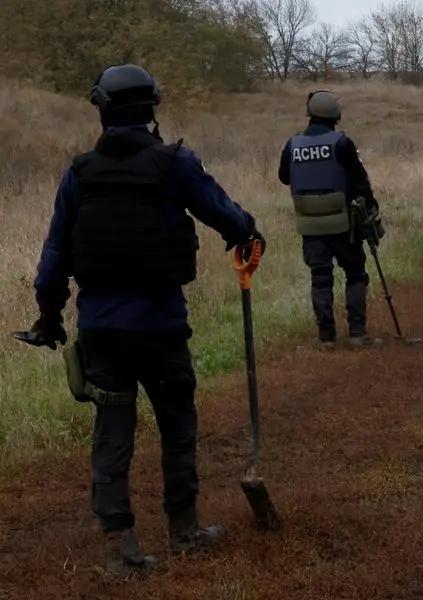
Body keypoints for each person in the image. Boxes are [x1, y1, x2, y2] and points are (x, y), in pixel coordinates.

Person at [22, 63, 266, 577]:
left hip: (103, 333)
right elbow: (229, 216)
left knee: (113, 432)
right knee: (177, 424)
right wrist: (248, 234)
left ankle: (120, 547)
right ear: (151, 108)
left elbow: (53, 259)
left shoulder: (79, 173)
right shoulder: (176, 163)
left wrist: (49, 316)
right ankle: (184, 529)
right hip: (161, 327)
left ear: (103, 109)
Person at [278, 89, 384, 350]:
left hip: (309, 226)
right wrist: (371, 212)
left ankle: (327, 337)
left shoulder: (293, 145)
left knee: (321, 277)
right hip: (343, 225)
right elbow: (361, 183)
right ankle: (357, 333)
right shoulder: (341, 143)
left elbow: (284, 177)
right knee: (356, 273)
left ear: (310, 114)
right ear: (335, 114)